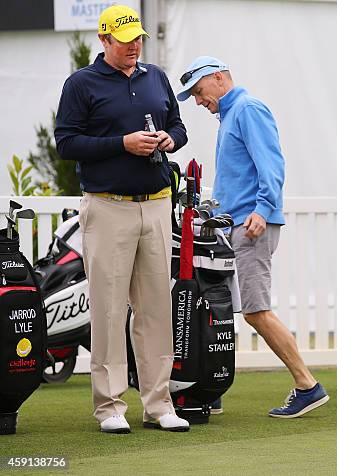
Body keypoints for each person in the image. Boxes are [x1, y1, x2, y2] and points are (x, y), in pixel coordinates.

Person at [54, 5, 190, 433]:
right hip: (108, 205)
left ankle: (158, 403)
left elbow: (179, 127)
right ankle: (110, 407)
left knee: (155, 309)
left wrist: (170, 138)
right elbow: (66, 142)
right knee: (110, 311)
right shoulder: (81, 84)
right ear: (104, 40)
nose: (134, 45)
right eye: (125, 39)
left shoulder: (156, 77)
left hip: (156, 202)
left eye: (138, 39)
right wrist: (122, 144)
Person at [177, 56, 329, 418]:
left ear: (217, 79)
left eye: (199, 91)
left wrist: (262, 209)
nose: (198, 101)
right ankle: (210, 390)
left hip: (252, 225)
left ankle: (308, 386)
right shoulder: (231, 114)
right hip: (237, 225)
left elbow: (272, 165)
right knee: (225, 308)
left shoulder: (247, 109)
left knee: (257, 311)